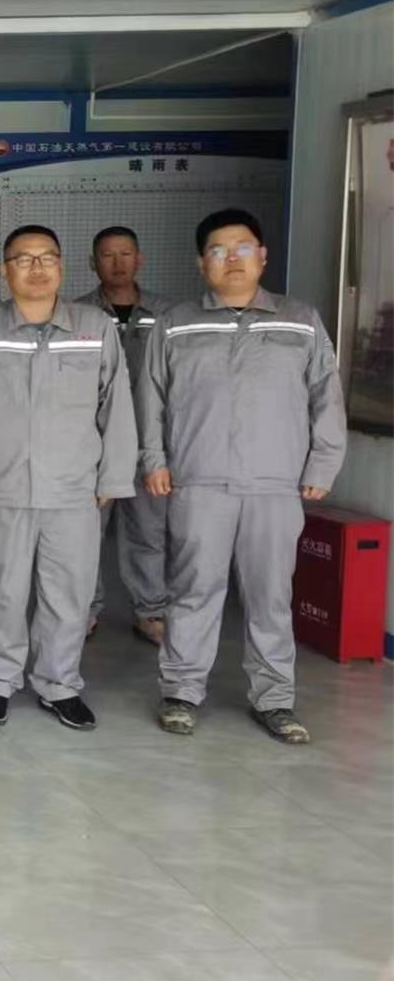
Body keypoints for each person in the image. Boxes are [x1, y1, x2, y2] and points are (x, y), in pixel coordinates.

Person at [140, 209, 345, 744]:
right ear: (201, 263)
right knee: (193, 590)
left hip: (275, 483)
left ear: (263, 256)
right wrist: (154, 458)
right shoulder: (177, 323)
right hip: (198, 481)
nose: (232, 259)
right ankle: (181, 691)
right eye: (218, 250)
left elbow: (326, 396)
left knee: (270, 595)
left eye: (243, 248)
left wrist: (323, 463)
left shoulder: (299, 320)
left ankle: (274, 699)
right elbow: (151, 397)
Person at [0, 224, 137, 732]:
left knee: (68, 594)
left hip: (74, 491)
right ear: (5, 271)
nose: (36, 268)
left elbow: (117, 406)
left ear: (62, 266)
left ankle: (59, 684)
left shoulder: (94, 328)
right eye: (23, 259)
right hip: (1, 487)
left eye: (46, 257)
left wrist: (113, 478)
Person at [79, 226, 173, 645]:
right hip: (93, 446)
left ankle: (150, 611)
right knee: (85, 534)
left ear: (139, 259)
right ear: (92, 263)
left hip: (148, 443)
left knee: (148, 532)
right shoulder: (78, 314)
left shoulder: (166, 315)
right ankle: (84, 610)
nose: (117, 263)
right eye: (107, 255)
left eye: (125, 254)